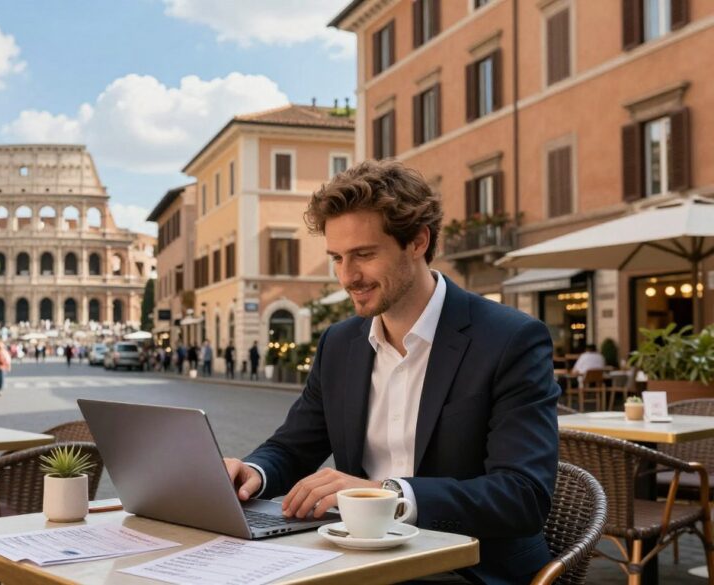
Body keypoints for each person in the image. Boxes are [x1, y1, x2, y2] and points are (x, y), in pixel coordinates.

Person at [222, 161, 559, 585]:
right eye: (337, 258)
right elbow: (291, 448)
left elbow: (523, 496)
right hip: (357, 562)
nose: (348, 276)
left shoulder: (511, 339)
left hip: (470, 569)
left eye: (364, 255)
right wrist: (253, 474)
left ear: (417, 241)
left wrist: (387, 495)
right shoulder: (339, 344)